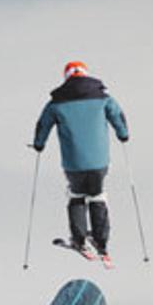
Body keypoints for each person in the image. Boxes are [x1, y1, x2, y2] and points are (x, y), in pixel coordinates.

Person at [31, 60, 130, 260]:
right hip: (99, 161)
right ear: (86, 74)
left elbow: (42, 125)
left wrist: (39, 145)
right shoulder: (103, 98)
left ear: (66, 77)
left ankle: (80, 239)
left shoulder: (56, 102)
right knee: (97, 194)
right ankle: (101, 241)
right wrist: (123, 135)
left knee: (76, 195)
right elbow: (119, 117)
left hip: (73, 162)